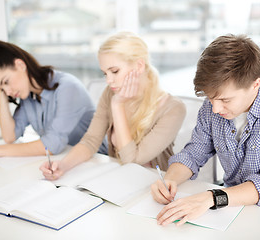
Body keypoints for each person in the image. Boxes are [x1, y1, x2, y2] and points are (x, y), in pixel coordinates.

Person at [151, 34, 260, 228]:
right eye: (211, 99)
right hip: (232, 211)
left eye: (225, 100)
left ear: (255, 85)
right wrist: (169, 180)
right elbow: (193, 154)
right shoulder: (215, 101)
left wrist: (211, 198)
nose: (216, 109)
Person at [40, 31, 186, 180]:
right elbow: (91, 141)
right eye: (105, 73)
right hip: (120, 179)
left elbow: (132, 160)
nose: (109, 80)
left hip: (156, 184)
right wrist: (62, 166)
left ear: (139, 66)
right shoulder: (110, 93)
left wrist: (117, 105)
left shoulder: (173, 108)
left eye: (114, 71)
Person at [0, 40, 107, 158]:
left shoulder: (68, 87)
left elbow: (52, 144)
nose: (8, 92)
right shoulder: (28, 97)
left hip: (99, 161)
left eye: (6, 82)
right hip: (66, 162)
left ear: (20, 65)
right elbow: (10, 136)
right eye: (2, 88)